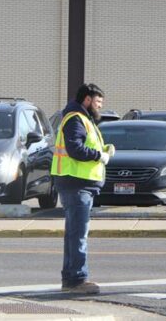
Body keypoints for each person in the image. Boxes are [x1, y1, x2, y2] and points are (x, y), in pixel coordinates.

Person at [51, 83, 114, 294]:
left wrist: (104, 150)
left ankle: (70, 278)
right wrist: (99, 156)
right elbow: (75, 149)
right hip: (77, 183)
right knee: (78, 233)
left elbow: (82, 145)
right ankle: (77, 279)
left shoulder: (81, 119)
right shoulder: (76, 119)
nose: (100, 106)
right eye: (98, 102)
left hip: (76, 182)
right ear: (87, 99)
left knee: (74, 233)